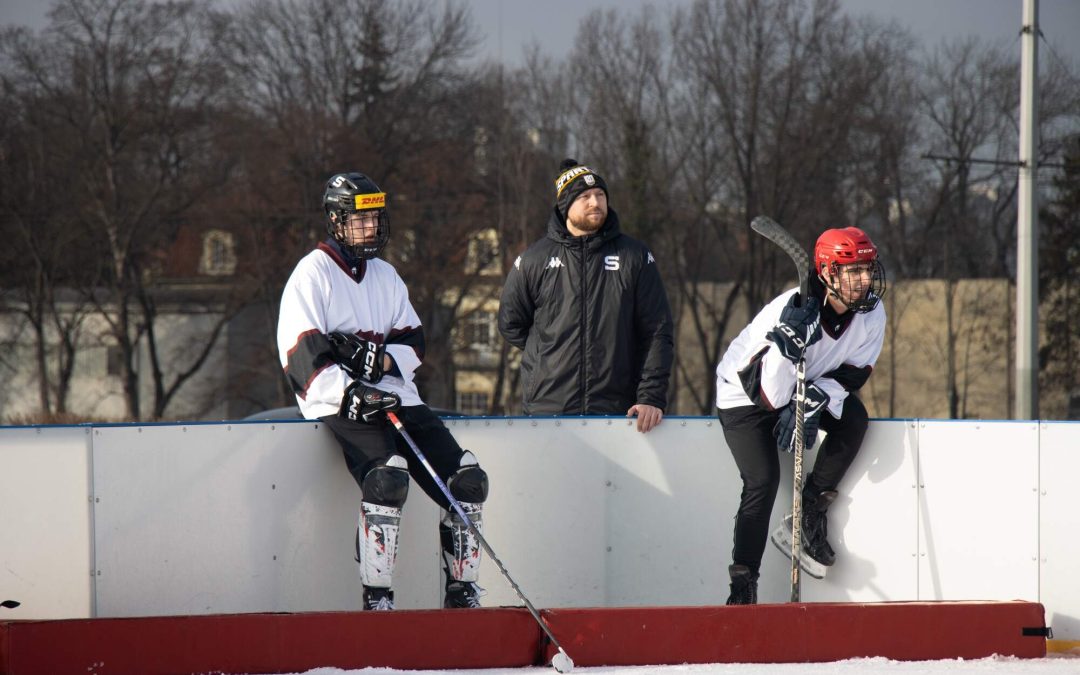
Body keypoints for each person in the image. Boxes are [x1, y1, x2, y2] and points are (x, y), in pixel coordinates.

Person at [276, 172, 489, 611]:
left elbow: (414, 341)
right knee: (388, 476)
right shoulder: (311, 274)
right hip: (341, 402)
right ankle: (377, 597)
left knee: (468, 480)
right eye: (359, 219)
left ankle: (463, 592)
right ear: (336, 220)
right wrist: (350, 390)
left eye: (374, 218)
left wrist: (381, 361)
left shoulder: (386, 275)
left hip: (398, 396)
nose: (370, 227)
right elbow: (299, 350)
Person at [714, 226, 887, 604]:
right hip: (745, 392)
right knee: (762, 481)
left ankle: (808, 513)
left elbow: (853, 374)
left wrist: (810, 398)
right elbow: (766, 391)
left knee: (854, 420)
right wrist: (788, 350)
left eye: (867, 269)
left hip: (802, 385)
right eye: (852, 271)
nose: (864, 280)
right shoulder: (788, 310)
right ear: (827, 273)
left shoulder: (872, 312)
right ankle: (743, 585)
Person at [498, 159, 674, 432]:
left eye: (600, 195)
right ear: (565, 205)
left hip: (619, 410)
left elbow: (657, 332)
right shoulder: (534, 259)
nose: (595, 202)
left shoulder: (635, 257)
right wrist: (550, 355)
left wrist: (650, 397)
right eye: (585, 197)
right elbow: (511, 323)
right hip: (547, 410)